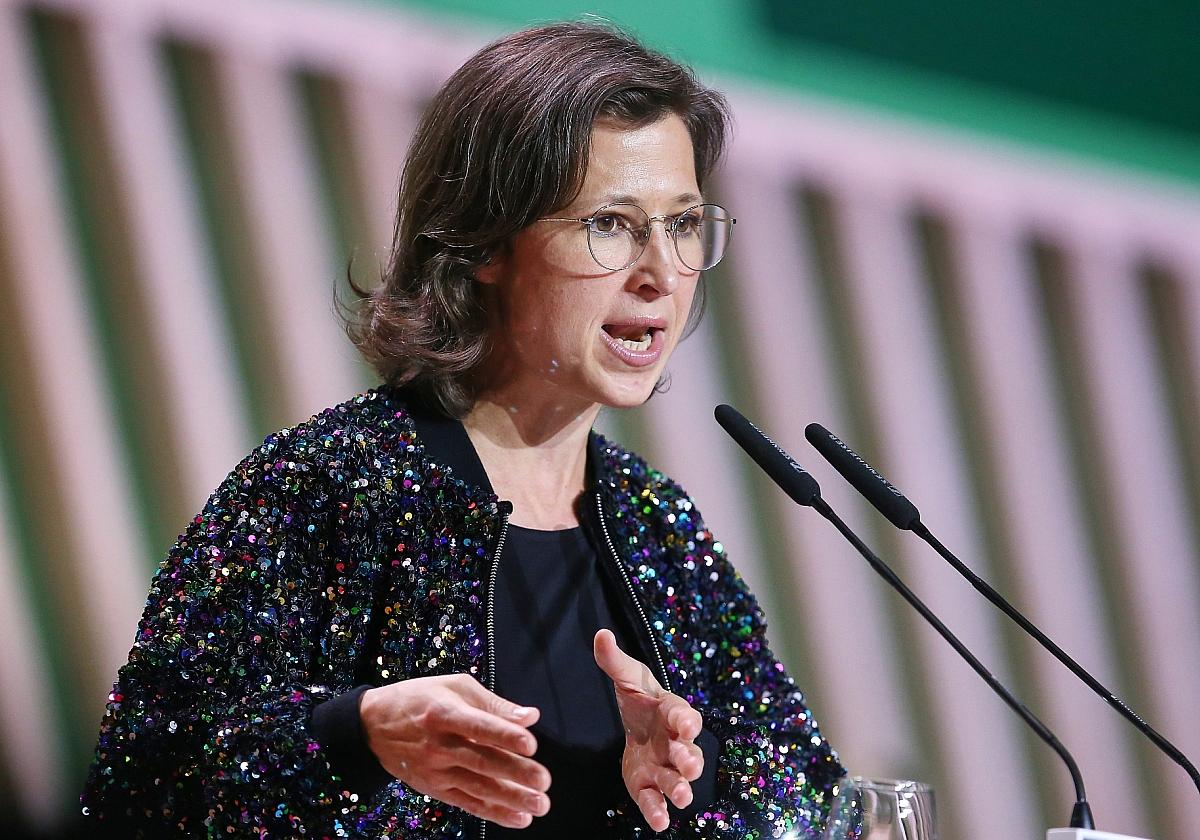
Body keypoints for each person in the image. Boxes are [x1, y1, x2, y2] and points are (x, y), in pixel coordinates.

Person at [80, 21, 846, 839]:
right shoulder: (333, 483)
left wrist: (699, 765)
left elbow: (815, 795)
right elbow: (144, 784)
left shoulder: (657, 523)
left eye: (684, 224)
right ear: (486, 243)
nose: (661, 272)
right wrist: (357, 737)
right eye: (611, 225)